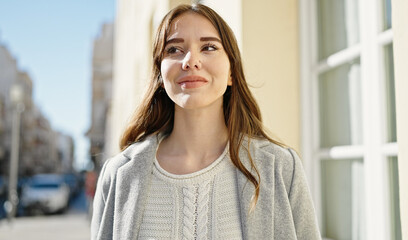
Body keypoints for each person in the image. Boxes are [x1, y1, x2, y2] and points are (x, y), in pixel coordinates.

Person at [91, 3, 321, 240]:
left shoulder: (281, 168)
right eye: (174, 50)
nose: (191, 61)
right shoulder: (119, 175)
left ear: (232, 72)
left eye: (209, 47)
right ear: (160, 75)